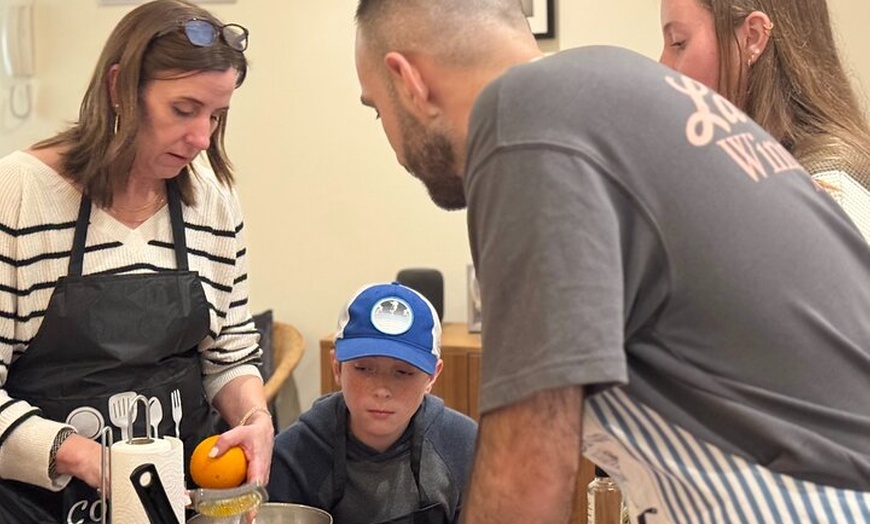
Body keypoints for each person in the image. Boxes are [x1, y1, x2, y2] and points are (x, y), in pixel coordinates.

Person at [353, 1, 870, 523]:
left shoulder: (523, 120)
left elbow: (527, 475)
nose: (393, 146)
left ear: (409, 82)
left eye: (377, 110)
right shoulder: (619, 89)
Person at [0, 1, 273, 522]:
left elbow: (228, 354)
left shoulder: (212, 202)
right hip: (38, 508)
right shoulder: (18, 197)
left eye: (216, 115)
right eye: (184, 109)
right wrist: (86, 458)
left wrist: (255, 417)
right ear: (118, 88)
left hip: (176, 503)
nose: (202, 139)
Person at [659, 0, 870, 240]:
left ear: (753, 37)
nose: (662, 65)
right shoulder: (759, 171)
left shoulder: (832, 189)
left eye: (678, 43)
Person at [268, 282, 478, 524]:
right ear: (337, 367)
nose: (381, 390)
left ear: (432, 376)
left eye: (403, 372)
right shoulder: (293, 456)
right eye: (364, 368)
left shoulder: (464, 447)